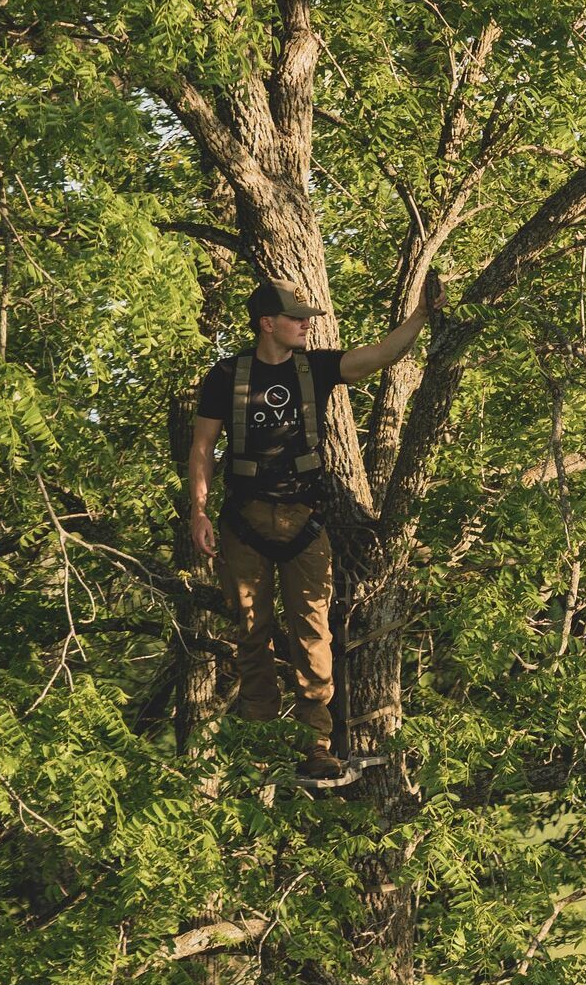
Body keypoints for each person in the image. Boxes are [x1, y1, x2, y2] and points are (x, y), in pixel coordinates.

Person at [187, 274, 445, 780]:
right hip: (244, 522)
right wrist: (198, 510)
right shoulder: (225, 376)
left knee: (313, 637)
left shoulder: (315, 368)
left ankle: (316, 746)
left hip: (305, 522)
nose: (306, 325)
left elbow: (379, 357)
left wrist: (419, 317)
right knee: (251, 634)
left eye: (307, 319)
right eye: (296, 318)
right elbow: (202, 449)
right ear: (267, 323)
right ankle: (260, 745)